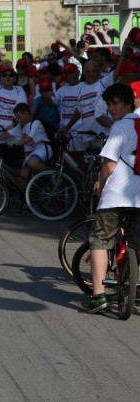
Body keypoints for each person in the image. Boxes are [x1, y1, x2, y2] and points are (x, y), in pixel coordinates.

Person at [84, 83, 140, 313]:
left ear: (129, 103)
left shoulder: (121, 127)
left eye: (115, 103)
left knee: (99, 239)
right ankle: (134, 289)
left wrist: (101, 188)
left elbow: (108, 164)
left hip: (117, 195)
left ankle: (98, 295)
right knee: (137, 245)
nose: (111, 109)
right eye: (108, 104)